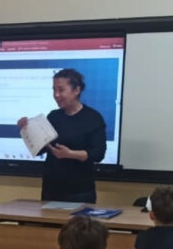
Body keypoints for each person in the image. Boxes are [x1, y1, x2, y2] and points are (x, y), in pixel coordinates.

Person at [17, 69, 107, 203]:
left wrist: (70, 154)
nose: (56, 95)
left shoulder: (92, 118)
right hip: (51, 189)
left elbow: (98, 154)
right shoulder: (54, 116)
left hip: (80, 191)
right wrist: (27, 129)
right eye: (54, 90)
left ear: (77, 90)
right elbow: (41, 148)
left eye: (61, 90)